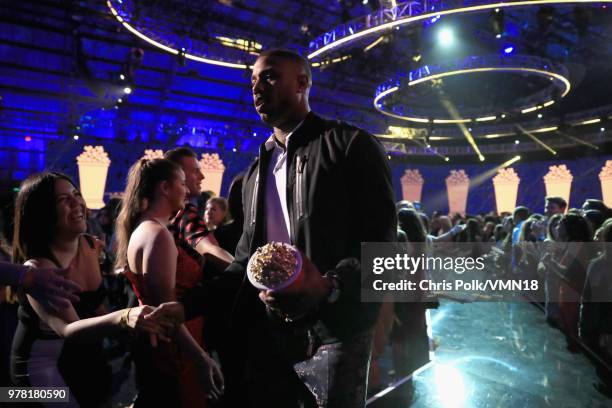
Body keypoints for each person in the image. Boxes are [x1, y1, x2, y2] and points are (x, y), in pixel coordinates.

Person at [150, 48, 397, 407]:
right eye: (252, 80)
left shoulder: (351, 146)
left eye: (268, 76)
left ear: (302, 82)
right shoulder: (252, 176)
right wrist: (186, 308)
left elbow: (382, 245)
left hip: (337, 328)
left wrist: (331, 286)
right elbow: (244, 265)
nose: (256, 87)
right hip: (271, 332)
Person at [10, 172, 168, 407]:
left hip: (80, 358)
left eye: (76, 194)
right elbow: (70, 329)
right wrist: (124, 318)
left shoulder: (90, 245)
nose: (77, 202)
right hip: (38, 371)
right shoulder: (39, 267)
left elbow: (97, 307)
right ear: (42, 212)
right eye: (63, 199)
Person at [115, 158, 224, 407]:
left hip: (171, 343)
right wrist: (199, 358)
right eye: (182, 183)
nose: (186, 190)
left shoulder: (146, 228)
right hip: (177, 349)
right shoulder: (157, 234)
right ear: (165, 188)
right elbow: (167, 310)